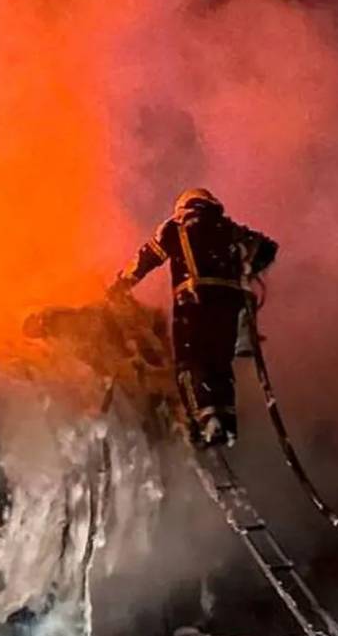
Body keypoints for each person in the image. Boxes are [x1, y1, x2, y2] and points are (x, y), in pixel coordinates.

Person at [107, 189, 278, 447]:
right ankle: (226, 424)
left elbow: (146, 258)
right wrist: (247, 267)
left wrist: (120, 286)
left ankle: (204, 422)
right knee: (220, 363)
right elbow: (267, 248)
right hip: (228, 305)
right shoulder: (229, 229)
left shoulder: (176, 227)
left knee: (191, 362)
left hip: (194, 303)